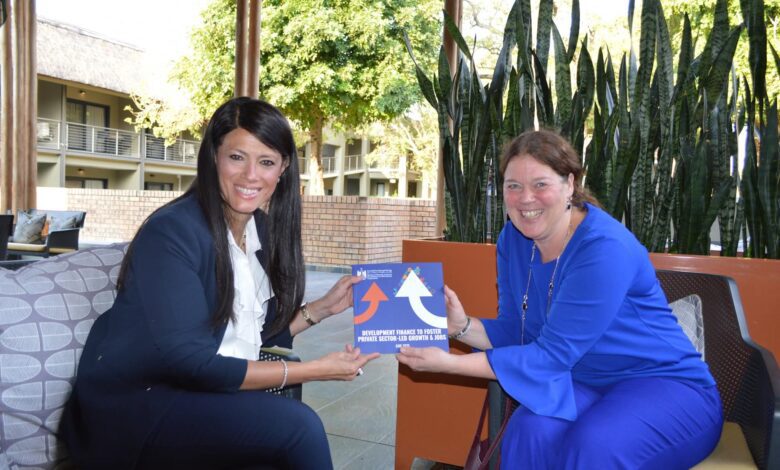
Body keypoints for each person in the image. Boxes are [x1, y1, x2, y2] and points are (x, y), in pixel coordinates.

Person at [59, 97, 379, 470]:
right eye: (237, 157)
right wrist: (315, 369)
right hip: (140, 405)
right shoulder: (173, 232)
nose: (250, 176)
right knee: (298, 427)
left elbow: (246, 336)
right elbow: (192, 362)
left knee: (272, 444)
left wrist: (321, 309)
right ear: (214, 157)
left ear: (283, 168)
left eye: (266, 162)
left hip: (201, 393)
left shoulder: (260, 230)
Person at [397, 129, 723, 469]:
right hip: (581, 382)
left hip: (664, 384)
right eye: (513, 186)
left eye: (540, 184)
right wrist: (461, 327)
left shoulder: (604, 249)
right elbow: (516, 331)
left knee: (594, 446)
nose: (526, 198)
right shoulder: (513, 240)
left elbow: (550, 356)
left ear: (570, 184)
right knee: (528, 431)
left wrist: (448, 363)